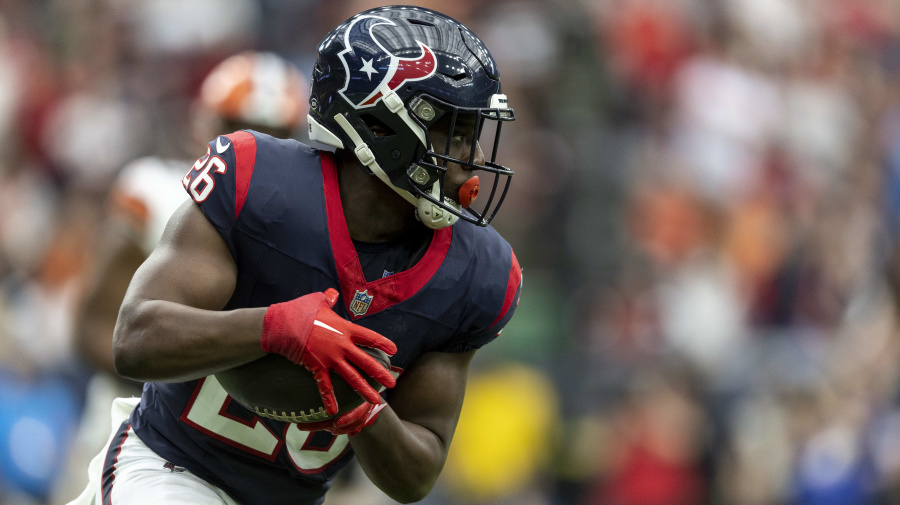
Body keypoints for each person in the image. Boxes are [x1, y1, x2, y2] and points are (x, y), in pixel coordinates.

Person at [71, 5, 522, 505]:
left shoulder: (478, 272)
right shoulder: (257, 181)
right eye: (456, 132)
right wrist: (277, 329)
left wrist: (359, 404)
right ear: (380, 127)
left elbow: (415, 476)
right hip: (170, 465)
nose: (475, 158)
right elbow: (133, 337)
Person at [57, 51, 308, 504]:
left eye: (274, 133)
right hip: (138, 423)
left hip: (241, 448)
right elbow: (92, 325)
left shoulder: (312, 232)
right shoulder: (153, 191)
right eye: (239, 125)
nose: (257, 145)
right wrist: (179, 383)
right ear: (205, 124)